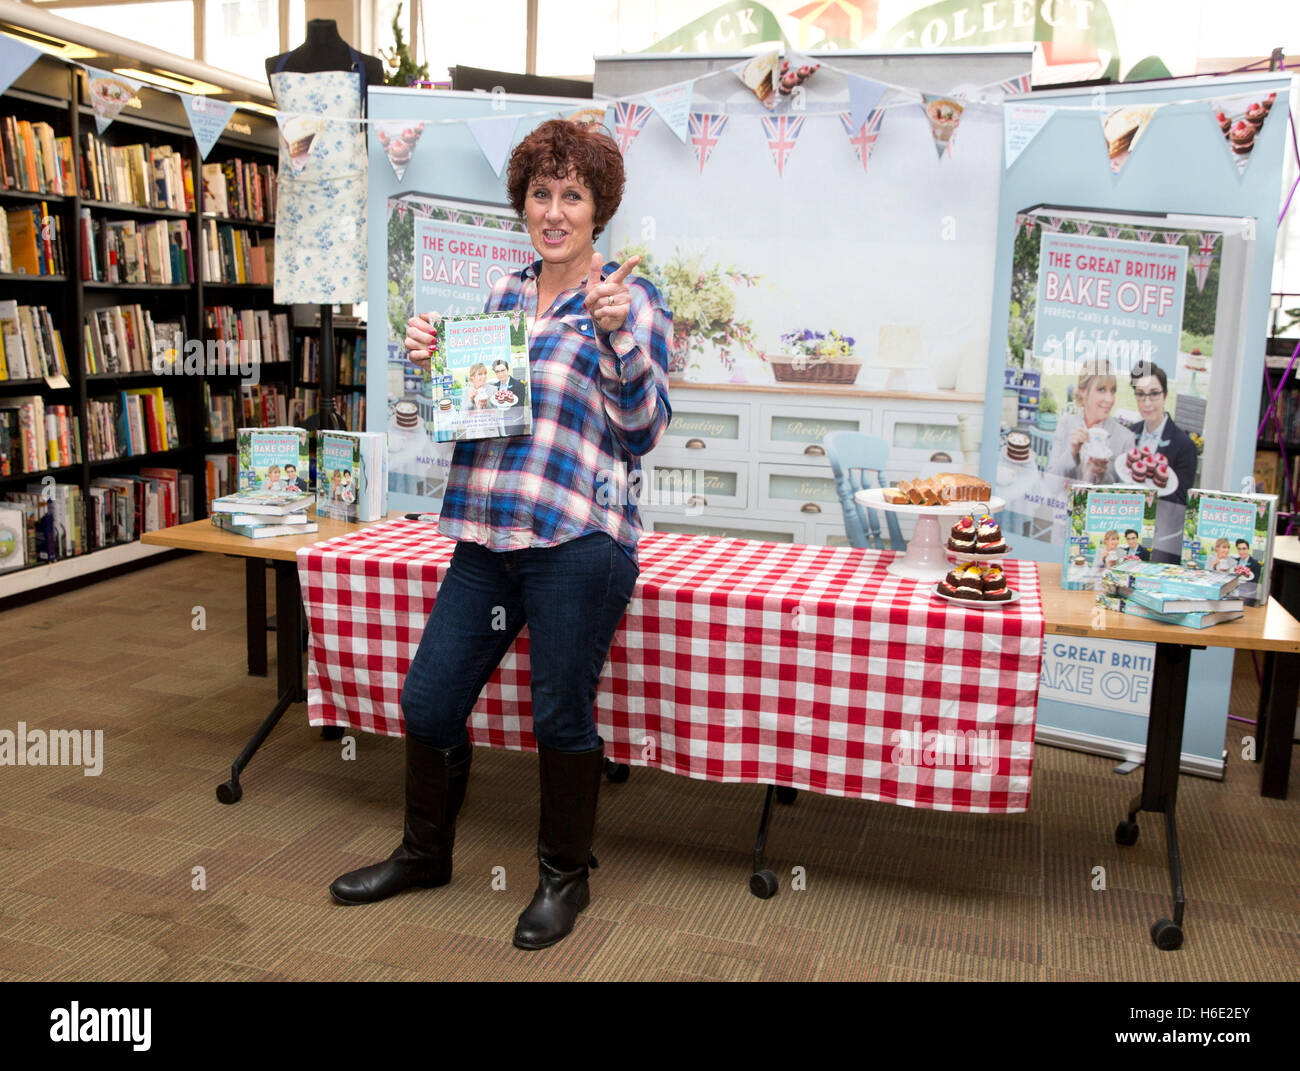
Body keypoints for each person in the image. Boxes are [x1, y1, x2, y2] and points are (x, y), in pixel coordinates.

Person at [328, 119, 673, 952]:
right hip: (487, 533)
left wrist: (615, 333)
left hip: (580, 540)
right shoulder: (502, 296)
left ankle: (564, 878)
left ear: (599, 211)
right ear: (523, 203)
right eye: (541, 194)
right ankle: (425, 853)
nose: (554, 211)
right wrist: (431, 363)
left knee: (559, 711)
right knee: (429, 698)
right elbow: (469, 425)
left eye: (573, 196)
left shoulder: (632, 299)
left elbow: (645, 428)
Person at [1046, 363, 1136, 485]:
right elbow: (1050, 485)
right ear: (1083, 391)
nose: (1110, 399)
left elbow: (1127, 497)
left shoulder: (1126, 438)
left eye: (1113, 391)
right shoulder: (1065, 424)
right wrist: (1071, 453)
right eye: (1102, 389)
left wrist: (1102, 476)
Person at [1126, 361, 1197, 506]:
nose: (1147, 403)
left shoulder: (1184, 446)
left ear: (1165, 395)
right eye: (1140, 394)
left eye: (1154, 394)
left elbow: (1181, 501)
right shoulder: (1130, 434)